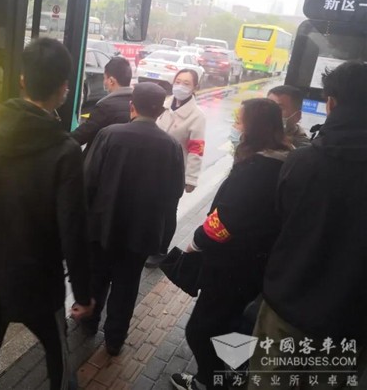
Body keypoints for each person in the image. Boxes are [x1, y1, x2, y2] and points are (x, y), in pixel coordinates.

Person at [0, 37, 95, 390]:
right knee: (58, 355)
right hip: (38, 282)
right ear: (63, 89)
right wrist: (83, 293)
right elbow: (73, 230)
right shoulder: (65, 150)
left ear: (22, 80)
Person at [250, 61, 367, 389]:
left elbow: (281, 221)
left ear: (331, 103)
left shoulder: (302, 161)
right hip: (352, 322)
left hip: (288, 307)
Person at [170, 98, 292, 390]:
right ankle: (232, 375)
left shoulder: (257, 170)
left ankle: (209, 381)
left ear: (254, 128)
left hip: (232, 265)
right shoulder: (284, 159)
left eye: (240, 121)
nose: (235, 126)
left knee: (200, 329)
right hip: (256, 264)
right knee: (231, 323)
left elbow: (227, 220)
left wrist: (196, 242)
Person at [83, 82, 185, 356]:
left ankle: (88, 324)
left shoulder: (108, 135)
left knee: (97, 278)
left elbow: (88, 181)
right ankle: (115, 340)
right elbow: (174, 193)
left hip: (103, 226)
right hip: (142, 232)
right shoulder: (172, 146)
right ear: (161, 111)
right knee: (127, 286)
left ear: (132, 107)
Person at [146, 69, 206, 268]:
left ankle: (160, 250)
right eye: (178, 81)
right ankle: (148, 243)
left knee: (167, 211)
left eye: (186, 83)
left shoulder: (197, 116)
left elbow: (196, 149)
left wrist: (191, 178)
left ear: (195, 87)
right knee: (150, 207)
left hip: (174, 171)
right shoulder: (163, 106)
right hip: (152, 167)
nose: (180, 86)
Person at [71, 56, 133, 155]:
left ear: (111, 81)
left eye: (104, 78)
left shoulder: (105, 107)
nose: (104, 82)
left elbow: (82, 136)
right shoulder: (137, 106)